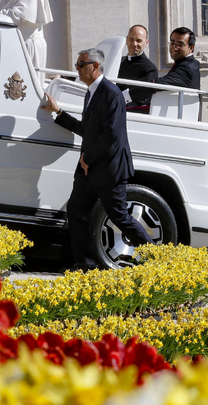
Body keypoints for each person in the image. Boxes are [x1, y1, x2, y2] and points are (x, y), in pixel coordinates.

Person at [40, 47, 152, 269]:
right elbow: (88, 130)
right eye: (77, 64)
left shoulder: (111, 93)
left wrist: (87, 158)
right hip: (89, 170)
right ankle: (85, 265)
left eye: (81, 64)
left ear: (95, 66)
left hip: (109, 169)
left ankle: (159, 259)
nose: (77, 69)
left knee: (120, 217)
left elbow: (111, 135)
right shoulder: (91, 92)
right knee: (76, 210)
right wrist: (59, 112)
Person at [116, 25, 159, 113]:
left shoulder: (150, 69)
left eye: (138, 41)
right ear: (127, 40)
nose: (134, 44)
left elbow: (143, 100)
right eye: (131, 39)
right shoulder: (118, 62)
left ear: (146, 43)